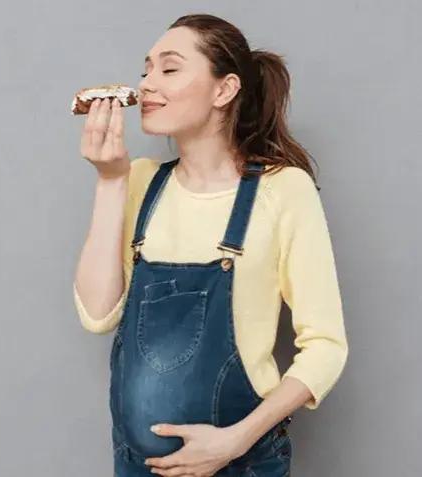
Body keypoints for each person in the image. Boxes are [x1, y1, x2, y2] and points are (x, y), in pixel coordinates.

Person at [73, 13, 349, 477]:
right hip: (137, 467)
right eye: (146, 69)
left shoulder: (282, 190)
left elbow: (326, 347)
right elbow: (98, 314)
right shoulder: (138, 181)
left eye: (169, 68)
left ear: (224, 90)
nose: (146, 84)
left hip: (242, 464)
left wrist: (233, 441)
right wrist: (110, 180)